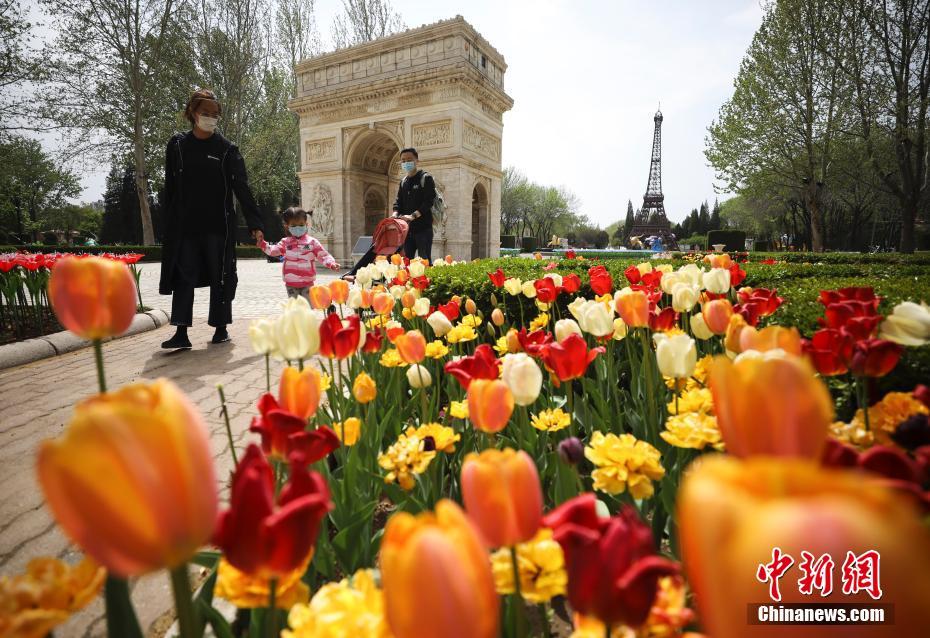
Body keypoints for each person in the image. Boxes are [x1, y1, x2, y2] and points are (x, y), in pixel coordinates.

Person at [159, 88, 265, 349]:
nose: (211, 117)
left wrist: (255, 224)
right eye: (205, 112)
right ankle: (181, 332)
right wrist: (168, 222)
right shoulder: (177, 146)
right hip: (186, 227)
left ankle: (221, 328)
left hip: (218, 227)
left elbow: (242, 188)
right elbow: (170, 187)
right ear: (193, 112)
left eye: (215, 114)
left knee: (221, 275)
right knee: (184, 275)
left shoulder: (227, 150)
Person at [258, 207, 339, 301]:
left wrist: (331, 263)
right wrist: (262, 244)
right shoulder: (285, 243)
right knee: (295, 307)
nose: (298, 228)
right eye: (293, 225)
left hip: (308, 283)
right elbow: (273, 251)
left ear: (306, 224)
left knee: (307, 306)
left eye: (301, 225)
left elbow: (323, 255)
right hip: (291, 284)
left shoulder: (312, 242)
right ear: (287, 226)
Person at [392, 147, 436, 262]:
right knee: (406, 262)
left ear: (417, 161)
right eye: (403, 160)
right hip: (406, 230)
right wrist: (395, 213)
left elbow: (428, 202)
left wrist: (412, 216)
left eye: (409, 160)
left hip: (423, 229)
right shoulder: (403, 182)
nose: (406, 163)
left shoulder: (426, 178)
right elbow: (398, 201)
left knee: (424, 262)